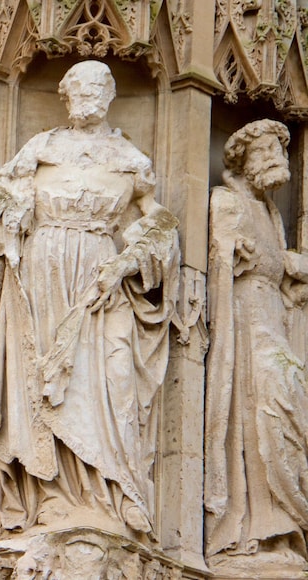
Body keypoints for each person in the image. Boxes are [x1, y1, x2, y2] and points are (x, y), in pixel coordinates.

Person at [0, 60, 179, 539]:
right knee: (41, 379)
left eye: (99, 86)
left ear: (110, 95)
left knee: (113, 374)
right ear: (65, 94)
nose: (89, 95)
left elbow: (160, 221)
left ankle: (112, 494)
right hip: (43, 271)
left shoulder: (130, 157)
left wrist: (133, 258)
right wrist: (10, 215)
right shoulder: (40, 147)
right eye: (79, 86)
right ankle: (53, 496)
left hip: (102, 273)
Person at [205, 119, 308, 574]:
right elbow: (217, 257)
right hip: (244, 324)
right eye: (266, 151)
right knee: (261, 408)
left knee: (286, 407)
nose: (277, 159)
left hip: (273, 320)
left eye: (281, 151)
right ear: (244, 159)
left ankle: (281, 524)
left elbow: (276, 269)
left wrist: (288, 267)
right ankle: (248, 530)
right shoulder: (226, 201)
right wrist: (231, 250)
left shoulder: (271, 213)